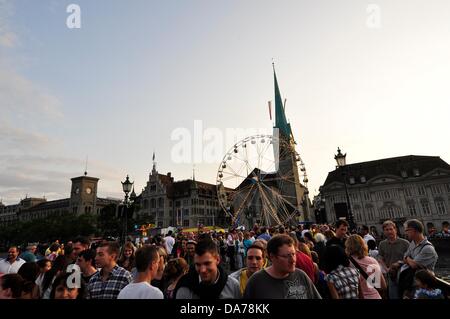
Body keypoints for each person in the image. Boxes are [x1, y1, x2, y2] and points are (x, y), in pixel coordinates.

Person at [244, 234, 321, 299]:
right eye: (286, 256)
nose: (293, 260)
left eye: (293, 254)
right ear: (272, 257)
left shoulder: (301, 276)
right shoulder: (256, 281)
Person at [175, 238, 241, 299]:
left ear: (218, 259)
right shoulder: (185, 288)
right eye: (198, 264)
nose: (203, 270)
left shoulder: (233, 285)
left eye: (207, 263)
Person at [397, 219, 439, 298]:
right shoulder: (412, 243)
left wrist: (407, 258)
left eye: (407, 230)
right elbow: (404, 258)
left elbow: (413, 265)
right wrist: (408, 259)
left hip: (422, 287)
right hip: (410, 284)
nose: (405, 232)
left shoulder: (428, 248)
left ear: (414, 230)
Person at [345, 234, 386, 299]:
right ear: (363, 245)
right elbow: (383, 286)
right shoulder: (372, 261)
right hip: (375, 296)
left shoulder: (347, 263)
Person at [377, 220, 409, 299]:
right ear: (384, 232)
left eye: (391, 229)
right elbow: (380, 258)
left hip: (404, 275)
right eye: (386, 230)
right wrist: (386, 268)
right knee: (393, 296)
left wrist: (399, 264)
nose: (389, 231)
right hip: (390, 275)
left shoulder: (405, 243)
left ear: (395, 230)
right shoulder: (382, 244)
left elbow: (411, 258)